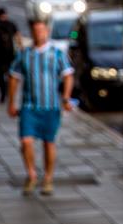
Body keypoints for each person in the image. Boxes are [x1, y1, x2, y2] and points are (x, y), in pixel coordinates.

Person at [7, 18, 74, 196]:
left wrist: (66, 98)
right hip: (29, 106)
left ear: (47, 32)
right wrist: (11, 103)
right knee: (26, 141)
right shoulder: (24, 55)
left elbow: (68, 75)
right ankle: (31, 174)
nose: (39, 34)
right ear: (32, 33)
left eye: (42, 31)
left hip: (51, 107)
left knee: (48, 143)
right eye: (36, 31)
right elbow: (13, 77)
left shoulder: (57, 54)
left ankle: (48, 178)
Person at [0, 8, 20, 103]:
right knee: (9, 74)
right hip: (8, 53)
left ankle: (4, 94)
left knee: (2, 75)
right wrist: (21, 47)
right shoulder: (9, 24)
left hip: (1, 54)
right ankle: (6, 92)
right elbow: (18, 36)